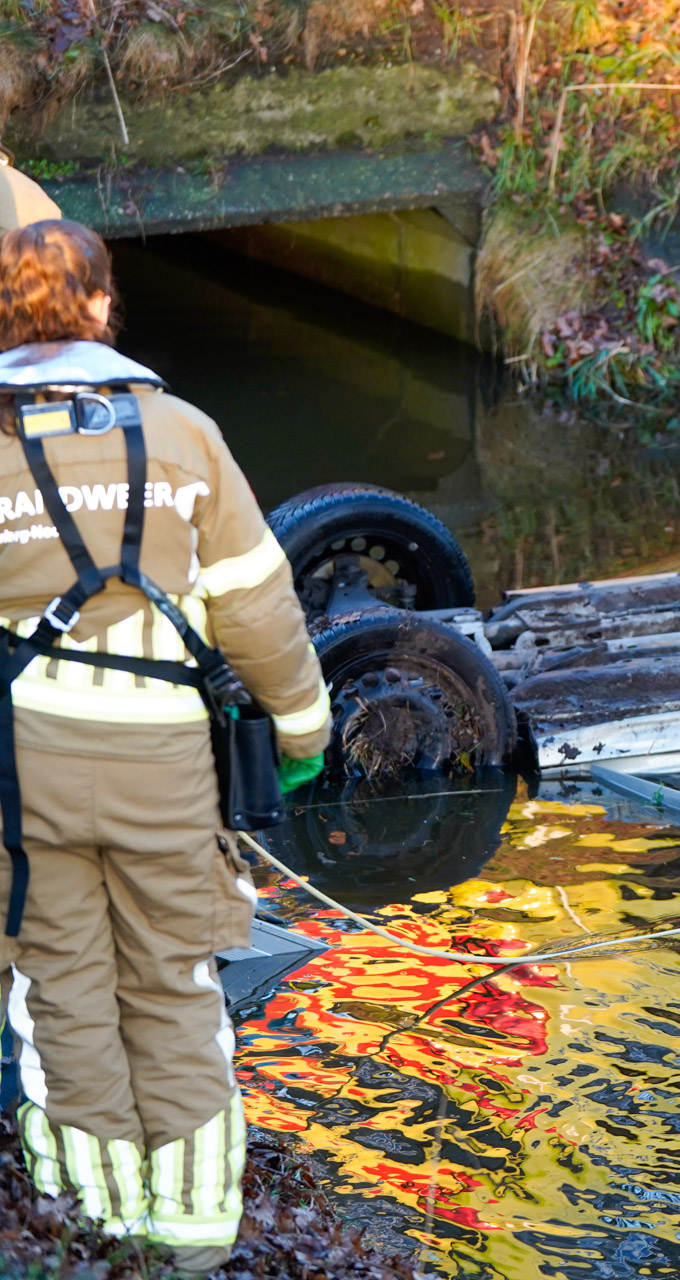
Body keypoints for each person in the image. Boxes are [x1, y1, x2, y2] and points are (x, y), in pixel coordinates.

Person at [0, 220, 331, 1274]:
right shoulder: (184, 434)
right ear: (103, 307)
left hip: (26, 774)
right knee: (176, 986)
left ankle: (90, 1235)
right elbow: (259, 606)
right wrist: (304, 730)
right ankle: (190, 1242)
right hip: (165, 773)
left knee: (62, 990)